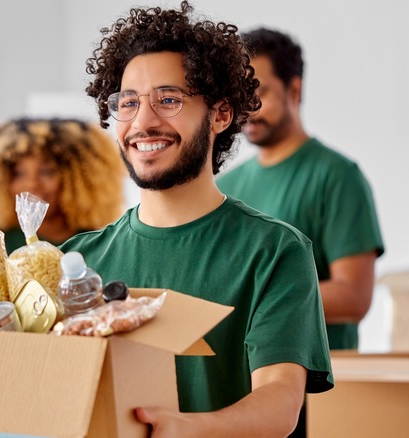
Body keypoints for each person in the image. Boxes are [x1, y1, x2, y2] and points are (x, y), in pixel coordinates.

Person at [59, 2, 333, 436]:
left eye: (167, 100)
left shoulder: (274, 251)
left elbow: (280, 402)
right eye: (128, 103)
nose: (143, 122)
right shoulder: (75, 262)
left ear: (221, 114)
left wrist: (185, 427)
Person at [216, 27, 385, 351]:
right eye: (239, 95)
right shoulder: (223, 187)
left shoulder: (337, 177)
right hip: (243, 384)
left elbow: (354, 297)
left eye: (259, 93)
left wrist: (252, 298)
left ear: (294, 90)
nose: (247, 108)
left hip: (320, 387)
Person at [0, 117, 125, 254]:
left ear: (76, 179)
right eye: (19, 174)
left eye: (46, 172)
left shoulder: (97, 242)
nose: (33, 183)